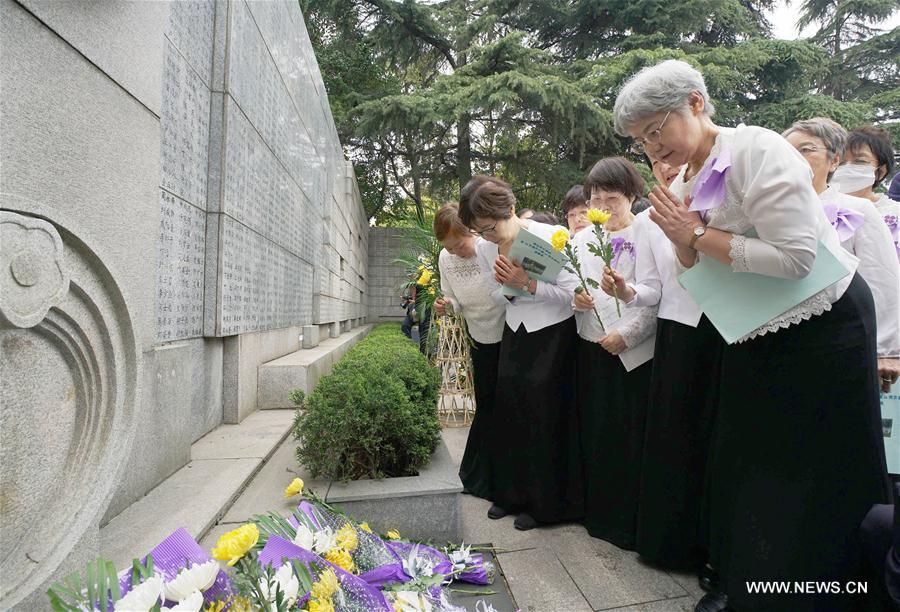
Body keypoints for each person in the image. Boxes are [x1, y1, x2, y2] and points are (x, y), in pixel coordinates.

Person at [614, 59, 891, 612]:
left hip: (822, 325)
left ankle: (824, 589)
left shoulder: (757, 149)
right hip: (751, 329)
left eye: (655, 129)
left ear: (695, 103)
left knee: (814, 464)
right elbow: (690, 267)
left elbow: (795, 258)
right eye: (640, 139)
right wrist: (684, 236)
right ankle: (745, 580)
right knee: (746, 457)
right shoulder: (684, 177)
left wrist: (695, 231)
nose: (650, 148)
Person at [601, 156, 724, 583]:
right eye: (657, 161)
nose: (667, 167)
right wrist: (627, 289)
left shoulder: (722, 201)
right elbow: (652, 289)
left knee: (716, 441)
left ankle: (716, 552)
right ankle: (671, 543)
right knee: (674, 439)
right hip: (675, 331)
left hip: (724, 325)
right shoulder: (650, 220)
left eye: (674, 157)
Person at [458, 175, 584, 532]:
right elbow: (496, 295)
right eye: (480, 230)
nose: (488, 236)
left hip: (553, 334)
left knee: (543, 415)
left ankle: (544, 504)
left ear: (510, 209)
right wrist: (510, 289)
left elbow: (573, 296)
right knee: (510, 410)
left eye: (491, 227)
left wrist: (527, 284)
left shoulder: (548, 239)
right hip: (515, 331)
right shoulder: (485, 248)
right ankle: (509, 494)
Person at [572, 157, 658, 549]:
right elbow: (570, 287)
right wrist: (577, 299)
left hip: (635, 352)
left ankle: (629, 523)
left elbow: (659, 295)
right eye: (595, 196)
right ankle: (598, 515)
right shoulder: (582, 238)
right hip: (592, 347)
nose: (602, 205)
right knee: (598, 434)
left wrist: (627, 333)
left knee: (630, 438)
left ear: (632, 196)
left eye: (612, 197)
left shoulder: (650, 232)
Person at [783, 118, 900, 393]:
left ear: (832, 160)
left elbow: (881, 279)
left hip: (841, 335)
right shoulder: (768, 211)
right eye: (787, 151)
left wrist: (886, 349)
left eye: (806, 150)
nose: (796, 159)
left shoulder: (858, 208)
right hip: (784, 336)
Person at [431, 203, 506, 501]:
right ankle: (480, 476)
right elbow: (453, 299)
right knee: (486, 403)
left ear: (471, 231)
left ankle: (503, 477)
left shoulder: (491, 248)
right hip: (479, 337)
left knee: (507, 403)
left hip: (509, 332)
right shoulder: (445, 259)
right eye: (449, 249)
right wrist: (445, 304)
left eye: (459, 244)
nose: (456, 252)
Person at [834, 126, 899, 260]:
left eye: (860, 161)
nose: (848, 167)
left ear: (880, 171)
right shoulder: (821, 210)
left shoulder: (895, 214)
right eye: (841, 162)